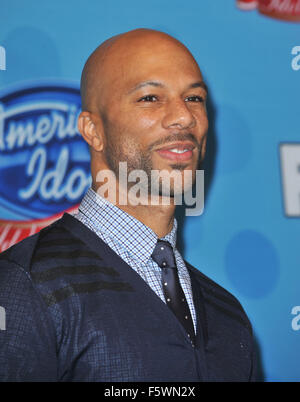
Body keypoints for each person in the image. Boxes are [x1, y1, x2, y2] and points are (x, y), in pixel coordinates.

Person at [0, 28, 257, 381]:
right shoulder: (24, 285)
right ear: (93, 130)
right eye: (150, 98)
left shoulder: (227, 313)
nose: (183, 116)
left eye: (194, 98)